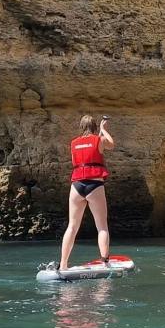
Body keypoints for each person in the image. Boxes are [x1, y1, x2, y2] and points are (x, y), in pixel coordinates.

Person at [57, 114, 114, 271]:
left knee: (72, 226)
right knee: (102, 226)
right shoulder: (99, 139)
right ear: (95, 127)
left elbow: (84, 153)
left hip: (77, 186)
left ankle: (63, 264)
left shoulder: (73, 143)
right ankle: (105, 262)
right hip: (94, 185)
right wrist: (103, 130)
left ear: (81, 127)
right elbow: (111, 144)